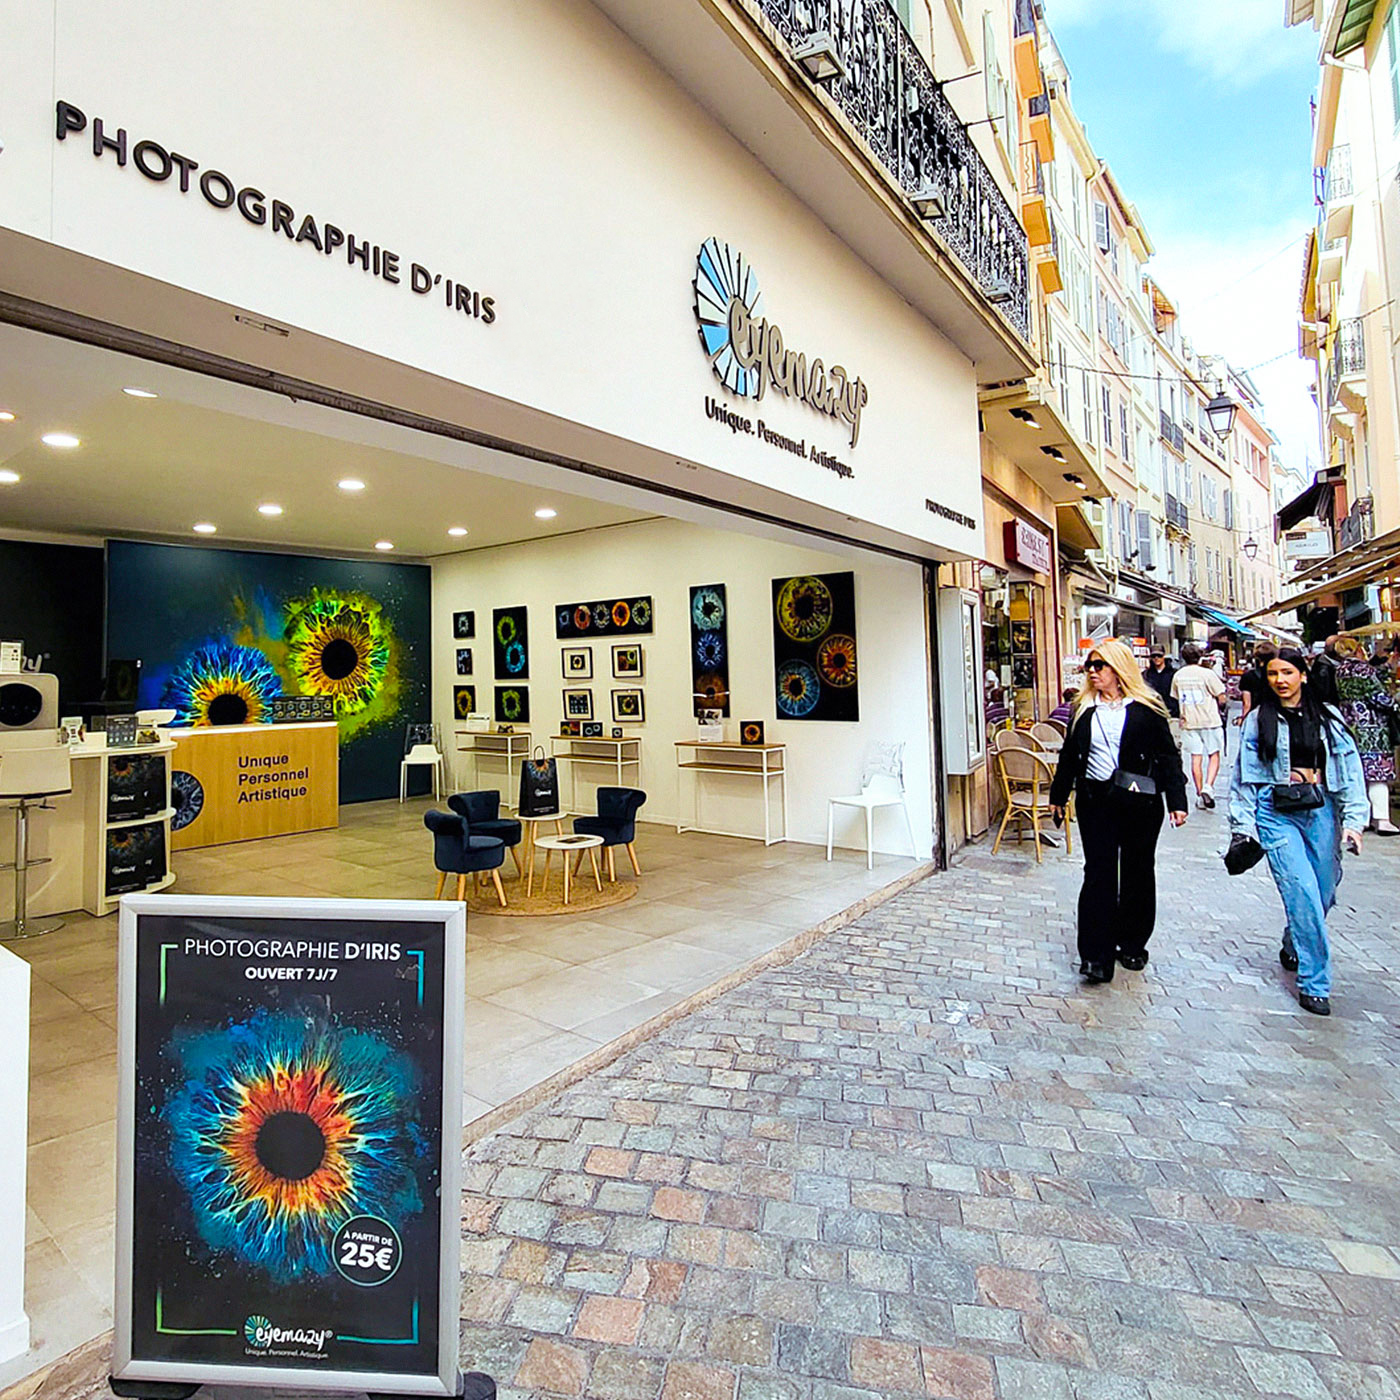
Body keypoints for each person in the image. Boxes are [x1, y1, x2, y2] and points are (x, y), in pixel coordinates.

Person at [1229, 650, 1368, 1016]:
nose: (1280, 680)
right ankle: (1315, 981)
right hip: (1276, 812)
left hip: (1322, 810)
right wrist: (1242, 828)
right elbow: (1243, 779)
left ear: (1303, 675)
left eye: (1288, 672)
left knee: (1323, 892)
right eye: (1273, 673)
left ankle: (1295, 938)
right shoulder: (1259, 719)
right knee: (1301, 891)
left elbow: (1351, 769)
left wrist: (1354, 820)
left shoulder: (1328, 718)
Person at [1049, 639, 1188, 984]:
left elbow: (1168, 756)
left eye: (1100, 666)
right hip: (1096, 799)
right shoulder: (1082, 707)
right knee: (1098, 873)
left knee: (1138, 870)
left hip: (1139, 800)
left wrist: (1178, 801)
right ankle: (1095, 955)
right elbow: (1069, 754)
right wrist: (1059, 793)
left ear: (1118, 668)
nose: (1092, 673)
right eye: (1089, 667)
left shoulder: (1147, 707)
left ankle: (1132, 942)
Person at [1332, 635, 1399, 835]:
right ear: (1357, 649)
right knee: (1378, 773)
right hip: (1371, 726)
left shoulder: (1340, 670)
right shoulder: (1363, 669)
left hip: (1349, 723)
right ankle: (1382, 819)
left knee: (1359, 772)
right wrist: (1394, 703)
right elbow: (1377, 695)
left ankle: (1365, 817)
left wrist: (1388, 664)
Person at [1171, 643, 1227, 809]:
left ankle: (1199, 793)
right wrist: (1221, 707)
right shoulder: (1207, 674)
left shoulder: (1178, 675)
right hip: (1210, 720)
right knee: (1214, 755)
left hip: (1189, 721)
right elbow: (1221, 696)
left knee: (1196, 758)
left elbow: (1175, 697)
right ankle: (1209, 786)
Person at [1236, 641, 1277, 722]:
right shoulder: (1277, 675)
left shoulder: (1248, 676)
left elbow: (1247, 704)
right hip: (1276, 715)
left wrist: (1244, 720)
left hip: (1255, 717)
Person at [1142, 647, 1179, 719]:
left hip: (1171, 713)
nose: (1156, 658)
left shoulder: (1174, 674)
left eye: (1159, 656)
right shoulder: (1146, 675)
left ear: (1164, 656)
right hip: (1153, 712)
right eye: (1153, 656)